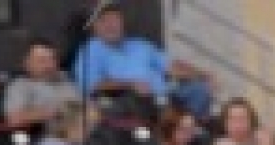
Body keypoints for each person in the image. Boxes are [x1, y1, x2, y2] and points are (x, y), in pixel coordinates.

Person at [73, 0, 213, 122]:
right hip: (131, 103)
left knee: (199, 90)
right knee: (143, 103)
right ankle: (176, 127)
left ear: (122, 21)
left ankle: (188, 128)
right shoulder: (90, 51)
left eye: (115, 19)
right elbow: (92, 85)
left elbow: (171, 66)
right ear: (94, 27)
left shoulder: (139, 44)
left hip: (166, 96)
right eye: (104, 20)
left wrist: (202, 75)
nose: (111, 25)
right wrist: (130, 84)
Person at [3, 39, 80, 129]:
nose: (50, 65)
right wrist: (57, 111)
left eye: (53, 59)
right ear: (27, 63)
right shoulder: (19, 86)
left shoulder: (64, 78)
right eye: (42, 60)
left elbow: (81, 104)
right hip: (48, 133)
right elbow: (14, 118)